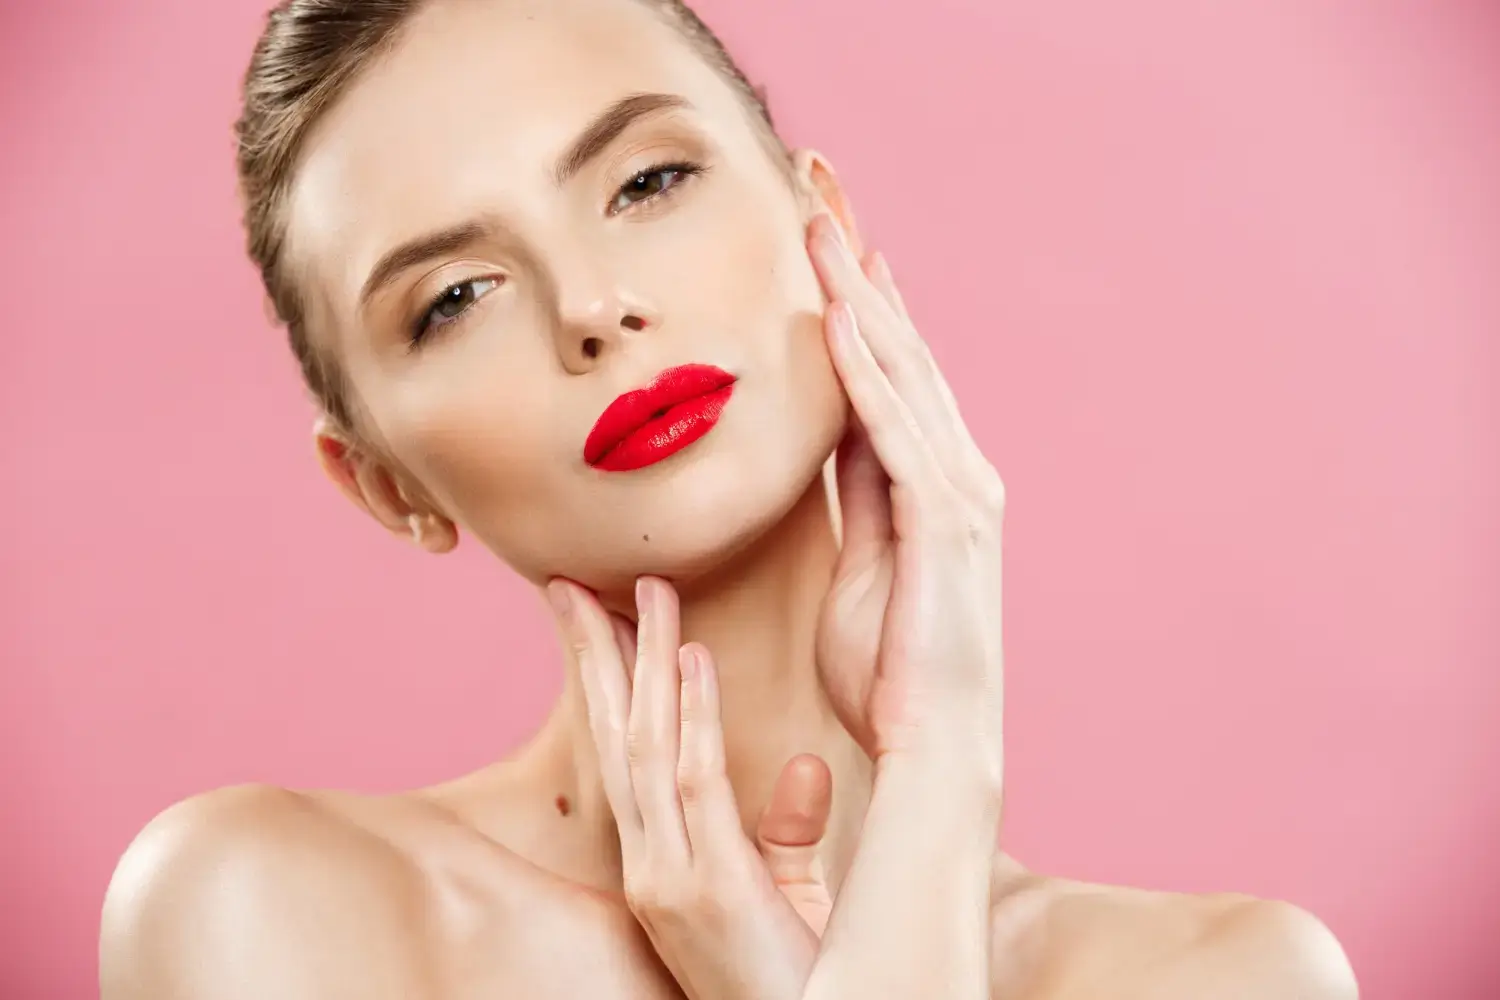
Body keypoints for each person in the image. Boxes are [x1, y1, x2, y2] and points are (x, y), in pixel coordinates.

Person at [99, 0, 1358, 996]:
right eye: (455, 297)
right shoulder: (267, 916)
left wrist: (942, 769)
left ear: (828, 220)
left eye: (646, 183)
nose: (591, 307)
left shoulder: (1230, 977)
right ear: (384, 486)